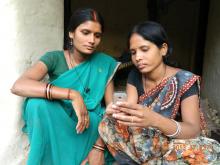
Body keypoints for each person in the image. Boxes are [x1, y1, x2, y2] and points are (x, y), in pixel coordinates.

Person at [99, 21, 220, 164]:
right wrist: (117, 110)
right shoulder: (135, 74)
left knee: (209, 151)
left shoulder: (185, 80)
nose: (137, 57)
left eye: (144, 49)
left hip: (173, 141)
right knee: (107, 123)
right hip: (144, 139)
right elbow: (130, 110)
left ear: (163, 49)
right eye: (133, 52)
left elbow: (193, 130)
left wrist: (155, 120)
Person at [11, 8, 120, 165]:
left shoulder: (104, 64)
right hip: (59, 122)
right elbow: (19, 86)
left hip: (87, 126)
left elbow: (111, 111)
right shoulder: (54, 58)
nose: (92, 40)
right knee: (36, 104)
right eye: (85, 32)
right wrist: (72, 94)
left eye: (97, 35)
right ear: (71, 33)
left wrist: (98, 147)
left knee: (100, 118)